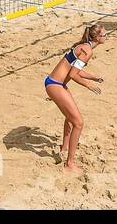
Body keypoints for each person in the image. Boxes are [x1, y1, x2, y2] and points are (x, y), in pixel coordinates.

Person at [44, 23, 107, 174]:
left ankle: (64, 148)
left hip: (55, 83)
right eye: (104, 35)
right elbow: (73, 75)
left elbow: (75, 70)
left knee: (71, 118)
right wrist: (88, 86)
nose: (107, 37)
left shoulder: (85, 47)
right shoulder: (87, 51)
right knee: (78, 123)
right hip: (55, 85)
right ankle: (69, 164)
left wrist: (94, 78)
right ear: (97, 37)